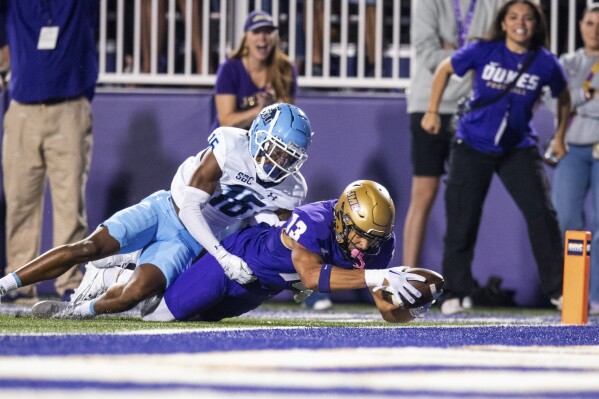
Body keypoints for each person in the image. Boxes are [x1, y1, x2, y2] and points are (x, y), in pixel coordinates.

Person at [0, 103, 314, 318]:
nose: (279, 163)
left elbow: (282, 236)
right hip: (166, 209)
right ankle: (5, 285)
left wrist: (296, 274)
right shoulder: (231, 147)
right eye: (276, 151)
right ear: (259, 135)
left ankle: (75, 311)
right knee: (89, 247)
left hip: (190, 242)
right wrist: (222, 256)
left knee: (138, 293)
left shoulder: (293, 188)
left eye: (289, 158)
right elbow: (190, 207)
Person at [35, 180, 437, 323]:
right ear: (343, 217)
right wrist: (379, 276)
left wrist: (408, 304)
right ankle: (105, 282)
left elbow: (386, 308)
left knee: (193, 320)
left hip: (256, 289)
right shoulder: (316, 219)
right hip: (236, 262)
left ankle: (127, 274)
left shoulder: (378, 245)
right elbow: (313, 276)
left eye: (374, 236)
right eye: (361, 233)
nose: (366, 245)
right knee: (157, 314)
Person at [421, 0, 570, 314]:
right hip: (472, 144)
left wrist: (559, 136)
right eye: (514, 17)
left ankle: (559, 292)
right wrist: (432, 110)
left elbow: (563, 94)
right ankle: (454, 294)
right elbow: (445, 68)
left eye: (528, 18)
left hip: (518, 149)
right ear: (503, 23)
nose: (520, 23)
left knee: (543, 216)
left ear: (536, 24)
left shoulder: (545, 62)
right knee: (462, 220)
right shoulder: (484, 49)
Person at [0, 0, 98, 303]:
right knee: (19, 200)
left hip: (69, 107)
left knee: (70, 203)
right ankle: (19, 277)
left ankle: (68, 279)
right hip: (23, 109)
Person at [404, 0, 504, 269]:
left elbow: (503, 52)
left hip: (473, 107)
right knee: (423, 194)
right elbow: (427, 55)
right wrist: (473, 52)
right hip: (428, 105)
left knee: (465, 199)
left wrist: (453, 51)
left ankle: (457, 285)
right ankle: (407, 280)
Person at [549, 5, 599, 316]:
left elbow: (568, 102)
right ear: (580, 26)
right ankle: (574, 293)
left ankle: (594, 296)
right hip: (571, 148)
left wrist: (577, 102)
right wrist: (585, 97)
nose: (595, 29)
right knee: (567, 220)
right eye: (591, 22)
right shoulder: (567, 62)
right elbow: (554, 103)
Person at [210, 10, 297, 132]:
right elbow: (226, 122)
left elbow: (289, 121)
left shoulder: (286, 68)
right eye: (256, 32)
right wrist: (262, 111)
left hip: (266, 144)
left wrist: (276, 104)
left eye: (268, 32)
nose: (262, 37)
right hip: (230, 143)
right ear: (246, 38)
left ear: (275, 37)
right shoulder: (229, 69)